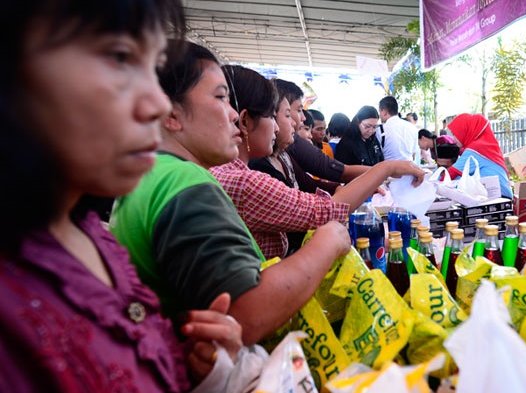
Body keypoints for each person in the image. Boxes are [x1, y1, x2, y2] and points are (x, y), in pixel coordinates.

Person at [0, 2, 246, 391]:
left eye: (151, 68)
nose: (157, 104)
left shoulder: (90, 236)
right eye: (119, 58)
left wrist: (191, 369)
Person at [110, 41, 351, 346]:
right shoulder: (184, 183)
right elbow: (245, 314)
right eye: (221, 98)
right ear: (170, 113)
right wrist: (327, 243)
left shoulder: (149, 176)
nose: (234, 115)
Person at [211, 67, 424, 260]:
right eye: (276, 116)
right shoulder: (242, 181)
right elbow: (325, 209)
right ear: (245, 120)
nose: (298, 121)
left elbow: (315, 189)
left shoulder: (252, 167)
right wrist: (386, 168)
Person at [446, 113, 513, 198]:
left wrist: (430, 182)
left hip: (498, 197)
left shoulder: (475, 149)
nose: (453, 139)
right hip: (501, 195)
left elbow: (450, 174)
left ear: (464, 131)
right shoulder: (486, 145)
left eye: (455, 134)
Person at [378, 96, 420, 163]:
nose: (379, 115)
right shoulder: (412, 128)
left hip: (389, 171)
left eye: (379, 111)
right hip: (410, 171)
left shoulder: (380, 130)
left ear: (384, 111)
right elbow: (413, 155)